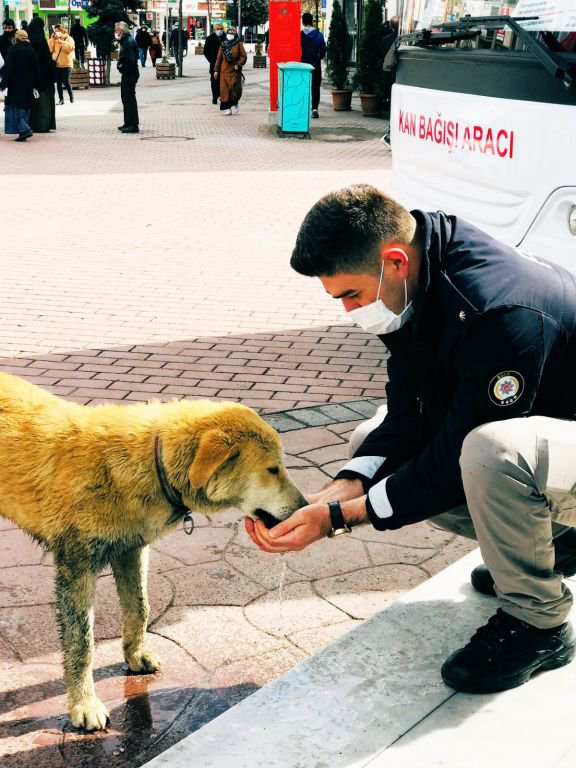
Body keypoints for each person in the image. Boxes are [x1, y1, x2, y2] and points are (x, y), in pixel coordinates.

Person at [246, 182, 576, 694]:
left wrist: (337, 520)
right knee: (365, 445)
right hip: (560, 442)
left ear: (394, 261)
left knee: (491, 456)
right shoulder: (416, 272)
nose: (349, 311)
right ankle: (555, 546)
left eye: (351, 294)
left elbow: (452, 463)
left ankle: (540, 623)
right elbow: (407, 414)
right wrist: (342, 488)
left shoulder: (496, 311)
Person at [0, 29, 39, 141]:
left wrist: (3, 83)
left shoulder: (14, 48)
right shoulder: (31, 50)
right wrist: (35, 84)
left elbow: (9, 68)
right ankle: (23, 132)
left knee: (16, 108)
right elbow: (36, 69)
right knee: (25, 108)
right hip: (28, 85)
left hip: (16, 84)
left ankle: (25, 129)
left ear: (16, 38)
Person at [27, 16, 56, 133]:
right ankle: (45, 124)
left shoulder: (30, 41)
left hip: (34, 77)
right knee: (44, 102)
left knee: (36, 102)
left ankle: (35, 124)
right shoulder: (42, 41)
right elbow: (46, 60)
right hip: (46, 78)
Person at [214, 27, 246, 115]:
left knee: (235, 89)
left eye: (232, 34)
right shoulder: (223, 45)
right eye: (229, 33)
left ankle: (235, 102)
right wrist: (216, 70)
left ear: (235, 35)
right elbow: (219, 59)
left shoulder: (239, 44)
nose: (230, 35)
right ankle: (227, 108)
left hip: (235, 70)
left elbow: (244, 56)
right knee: (225, 90)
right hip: (224, 71)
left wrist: (239, 64)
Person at [300, 12, 326, 119]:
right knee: (315, 87)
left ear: (303, 22)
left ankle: (303, 108)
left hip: (302, 65)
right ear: (312, 21)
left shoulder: (299, 35)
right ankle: (314, 108)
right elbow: (324, 50)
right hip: (315, 66)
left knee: (303, 86)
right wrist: (318, 58)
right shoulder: (319, 35)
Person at [115, 21, 139, 133]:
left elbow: (131, 60)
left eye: (117, 30)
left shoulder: (128, 41)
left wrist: (121, 66)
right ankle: (128, 122)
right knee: (125, 98)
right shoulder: (125, 40)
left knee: (129, 98)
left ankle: (133, 125)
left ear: (122, 30)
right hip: (128, 73)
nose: (115, 32)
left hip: (130, 73)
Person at [48, 24, 74, 105]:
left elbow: (69, 49)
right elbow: (49, 49)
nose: (56, 33)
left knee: (66, 81)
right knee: (58, 83)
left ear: (62, 30)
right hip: (57, 64)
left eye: (57, 31)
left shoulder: (68, 38)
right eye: (55, 31)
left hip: (67, 64)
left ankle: (71, 95)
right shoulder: (54, 40)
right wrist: (52, 39)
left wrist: (61, 41)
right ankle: (61, 99)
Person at [204, 23, 224, 104]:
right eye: (217, 29)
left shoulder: (226, 37)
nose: (219, 30)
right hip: (214, 63)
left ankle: (222, 96)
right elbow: (206, 52)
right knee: (214, 81)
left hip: (224, 63)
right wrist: (212, 61)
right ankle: (214, 96)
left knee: (222, 81)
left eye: (221, 29)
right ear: (214, 29)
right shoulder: (210, 38)